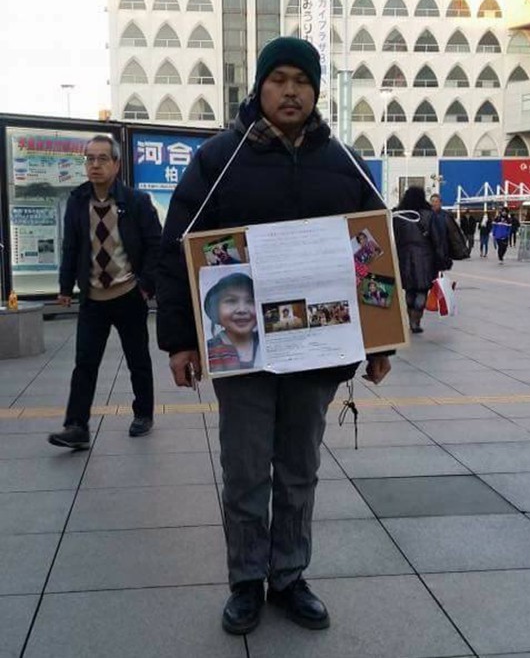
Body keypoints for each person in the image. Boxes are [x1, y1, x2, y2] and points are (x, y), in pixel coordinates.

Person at [156, 37, 391, 636]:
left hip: (317, 352)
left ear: (316, 91)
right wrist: (180, 340)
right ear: (259, 87)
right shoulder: (218, 159)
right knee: (245, 470)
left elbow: (373, 252)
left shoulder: (344, 162)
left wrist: (381, 341)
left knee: (298, 469)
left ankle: (288, 576)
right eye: (279, 79)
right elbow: (178, 249)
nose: (291, 92)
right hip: (244, 351)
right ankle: (245, 581)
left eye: (302, 81)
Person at [48, 135, 162, 449]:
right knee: (84, 363)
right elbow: (71, 247)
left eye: (102, 158)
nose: (95, 165)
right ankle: (76, 426)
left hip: (129, 294)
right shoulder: (77, 201)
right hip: (93, 298)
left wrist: (146, 285)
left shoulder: (136, 202)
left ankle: (143, 414)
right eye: (89, 159)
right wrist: (65, 287)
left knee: (137, 359)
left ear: (116, 164)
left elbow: (156, 245)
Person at [393, 187, 452, 334]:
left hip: (404, 257)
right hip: (425, 257)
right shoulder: (429, 215)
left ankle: (410, 318)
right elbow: (438, 239)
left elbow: (394, 238)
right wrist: (442, 258)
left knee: (409, 289)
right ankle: (416, 320)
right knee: (422, 290)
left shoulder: (398, 216)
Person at [204, 273, 259, 372]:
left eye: (250, 301)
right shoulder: (208, 350)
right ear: (215, 309)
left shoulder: (268, 342)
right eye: (231, 301)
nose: (242, 310)